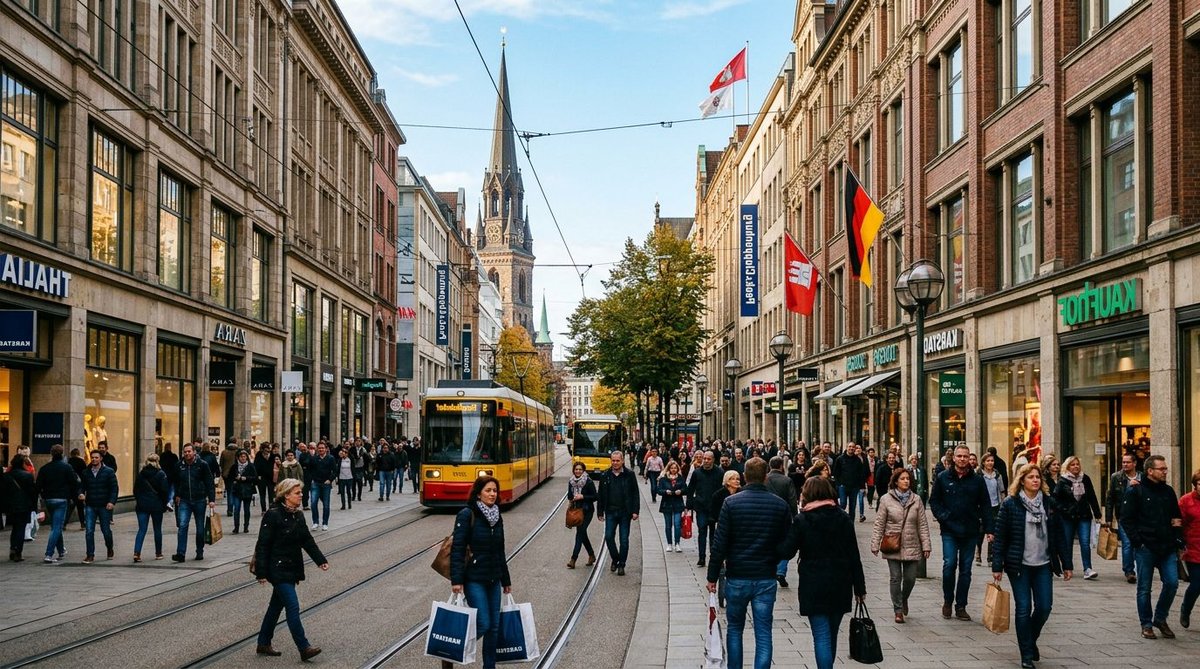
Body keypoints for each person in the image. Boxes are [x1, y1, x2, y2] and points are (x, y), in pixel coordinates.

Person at [706, 457, 792, 669]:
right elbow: (788, 544)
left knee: (734, 628)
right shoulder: (779, 505)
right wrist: (774, 555)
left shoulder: (731, 503)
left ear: (744, 476)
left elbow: (720, 543)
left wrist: (712, 576)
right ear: (765, 477)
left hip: (737, 575)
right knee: (763, 631)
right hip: (765, 576)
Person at [991, 463, 1072, 669]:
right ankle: (1026, 654)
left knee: (1044, 607)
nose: (1035, 480)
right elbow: (1000, 537)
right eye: (1031, 477)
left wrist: (1067, 563)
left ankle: (1030, 639)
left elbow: (1059, 536)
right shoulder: (1011, 504)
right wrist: (997, 566)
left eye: (1038, 477)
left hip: (1043, 563)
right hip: (1019, 565)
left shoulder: (1048, 503)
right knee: (1023, 608)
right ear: (1022, 481)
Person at [780, 477, 866, 669]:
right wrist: (859, 588)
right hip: (840, 581)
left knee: (821, 636)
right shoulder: (842, 517)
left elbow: (787, 551)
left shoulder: (802, 519)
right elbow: (854, 555)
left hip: (814, 582)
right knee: (832, 634)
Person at [254, 478, 327, 661]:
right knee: (292, 606)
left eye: (301, 492)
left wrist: (320, 560)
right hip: (276, 568)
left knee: (275, 607)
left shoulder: (298, 515)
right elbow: (263, 544)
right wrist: (261, 572)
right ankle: (304, 647)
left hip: (291, 567)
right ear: (286, 495)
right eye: (297, 493)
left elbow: (307, 540)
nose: (301, 495)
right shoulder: (273, 515)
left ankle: (263, 643)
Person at [450, 476, 512, 669]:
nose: (492, 494)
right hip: (474, 578)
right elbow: (458, 548)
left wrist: (506, 579)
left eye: (495, 490)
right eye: (488, 490)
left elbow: (500, 549)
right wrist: (457, 579)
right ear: (478, 493)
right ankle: (453, 649)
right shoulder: (467, 514)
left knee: (494, 627)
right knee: (484, 623)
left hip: (493, 578)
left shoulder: (497, 515)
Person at [1121, 454, 1183, 639]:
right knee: (1144, 588)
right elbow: (1126, 519)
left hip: (1167, 547)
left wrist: (1178, 539)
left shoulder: (1168, 491)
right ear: (1150, 471)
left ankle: (1160, 618)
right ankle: (1146, 623)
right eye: (1161, 469)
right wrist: (1137, 541)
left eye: (1165, 468)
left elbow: (1176, 517)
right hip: (1146, 547)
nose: (1165, 471)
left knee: (1172, 583)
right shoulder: (1136, 491)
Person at [929, 445, 992, 621]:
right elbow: (934, 502)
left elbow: (985, 505)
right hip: (949, 529)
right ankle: (948, 601)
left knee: (966, 570)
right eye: (959, 456)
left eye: (966, 456)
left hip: (970, 530)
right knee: (949, 565)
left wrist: (989, 529)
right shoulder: (943, 478)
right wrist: (944, 517)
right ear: (953, 458)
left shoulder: (977, 480)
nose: (963, 459)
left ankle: (961, 605)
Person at [870, 468, 931, 623]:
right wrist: (875, 543)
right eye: (903, 479)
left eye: (908, 479)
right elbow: (879, 523)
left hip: (912, 543)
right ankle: (898, 610)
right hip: (893, 544)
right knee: (896, 578)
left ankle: (903, 598)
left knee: (910, 578)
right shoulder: (886, 499)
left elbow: (922, 524)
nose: (906, 481)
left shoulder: (916, 499)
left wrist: (926, 545)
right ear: (896, 481)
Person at [1052, 455, 1101, 580]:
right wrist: (1064, 509)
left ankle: (1087, 568)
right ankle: (1068, 567)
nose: (1075, 467)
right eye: (1072, 465)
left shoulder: (1085, 479)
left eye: (1077, 464)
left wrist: (1097, 514)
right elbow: (1055, 499)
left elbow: (1092, 497)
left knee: (1085, 542)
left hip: (1084, 515)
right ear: (1067, 467)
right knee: (1067, 543)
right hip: (1068, 517)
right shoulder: (1063, 481)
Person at [172, 443, 216, 562]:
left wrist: (212, 499)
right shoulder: (179, 465)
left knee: (200, 528)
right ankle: (180, 553)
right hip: (184, 500)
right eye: (185, 452)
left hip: (200, 500)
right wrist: (176, 495)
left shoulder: (202, 465)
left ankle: (199, 551)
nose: (187, 454)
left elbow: (209, 483)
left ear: (194, 452)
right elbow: (175, 481)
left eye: (189, 451)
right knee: (182, 525)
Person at [597, 450, 639, 576]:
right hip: (610, 511)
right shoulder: (605, 475)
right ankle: (615, 558)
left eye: (617, 460)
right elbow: (601, 495)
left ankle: (622, 564)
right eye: (613, 460)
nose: (615, 463)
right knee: (609, 537)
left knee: (624, 540)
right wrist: (600, 511)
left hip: (625, 512)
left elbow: (635, 493)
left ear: (622, 461)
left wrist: (635, 511)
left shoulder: (629, 474)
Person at [36, 444, 77, 563]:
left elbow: (38, 485)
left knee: (56, 525)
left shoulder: (45, 468)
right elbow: (74, 483)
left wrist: (42, 496)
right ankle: (49, 554)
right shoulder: (67, 467)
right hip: (61, 499)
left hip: (49, 499)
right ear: (62, 453)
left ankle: (61, 550)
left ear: (51, 454)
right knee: (56, 527)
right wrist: (73, 496)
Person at [1105, 454, 1142, 583]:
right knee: (1127, 543)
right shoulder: (1116, 477)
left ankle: (1140, 569)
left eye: (1128, 462)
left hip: (1141, 516)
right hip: (1124, 516)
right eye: (1123, 462)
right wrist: (1108, 519)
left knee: (1139, 543)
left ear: (1134, 463)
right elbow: (1110, 499)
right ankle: (1129, 571)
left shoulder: (1142, 477)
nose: (1125, 464)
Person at [79, 450, 118, 563]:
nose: (94, 459)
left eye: (96, 457)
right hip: (90, 505)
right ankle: (90, 555)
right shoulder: (86, 472)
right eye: (92, 457)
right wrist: (81, 493)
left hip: (104, 505)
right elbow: (81, 486)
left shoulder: (109, 472)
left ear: (101, 458)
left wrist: (111, 502)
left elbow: (114, 488)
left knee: (105, 530)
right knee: (89, 531)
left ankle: (110, 548)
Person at [687, 450, 724, 568]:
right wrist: (689, 505)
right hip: (701, 506)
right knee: (702, 531)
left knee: (713, 533)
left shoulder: (719, 472)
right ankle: (701, 557)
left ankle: (713, 556)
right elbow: (691, 489)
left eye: (709, 459)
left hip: (714, 507)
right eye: (705, 459)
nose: (706, 461)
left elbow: (722, 490)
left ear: (713, 460)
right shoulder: (697, 473)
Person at [765, 456, 797, 587]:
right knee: (785, 544)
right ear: (781, 466)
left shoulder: (764, 479)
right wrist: (795, 517)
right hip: (783, 517)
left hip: (766, 516)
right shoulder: (787, 480)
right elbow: (792, 500)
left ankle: (769, 568)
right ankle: (781, 571)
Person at [132, 453, 169, 562]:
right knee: (157, 529)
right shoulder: (161, 474)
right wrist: (164, 504)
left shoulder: (141, 474)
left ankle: (137, 553)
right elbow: (164, 491)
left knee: (142, 529)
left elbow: (135, 490)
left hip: (142, 506)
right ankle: (158, 553)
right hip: (156, 506)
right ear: (157, 462)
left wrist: (140, 500)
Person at [4, 455, 37, 562]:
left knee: (14, 528)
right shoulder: (27, 476)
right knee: (20, 528)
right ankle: (18, 552)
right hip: (24, 505)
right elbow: (32, 492)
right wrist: (34, 506)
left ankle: (13, 549)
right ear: (23, 463)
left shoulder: (7, 475)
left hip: (11, 506)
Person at [977, 452, 1008, 565]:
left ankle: (990, 556)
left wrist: (1003, 504)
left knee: (993, 532)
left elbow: (1002, 490)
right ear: (983, 462)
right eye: (988, 461)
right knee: (981, 531)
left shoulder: (997, 475)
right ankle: (978, 552)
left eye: (992, 461)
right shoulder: (979, 474)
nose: (990, 463)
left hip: (995, 505)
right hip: (982, 506)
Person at [1179, 469, 1200, 629]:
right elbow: (1180, 523)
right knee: (1197, 584)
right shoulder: (1186, 501)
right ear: (1195, 485)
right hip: (1193, 548)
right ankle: (1186, 609)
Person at [566, 462, 597, 568]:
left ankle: (573, 559)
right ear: (573, 470)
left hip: (587, 511)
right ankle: (591, 554)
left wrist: (582, 496)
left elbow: (595, 496)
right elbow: (569, 496)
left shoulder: (588, 481)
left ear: (583, 470)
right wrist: (573, 496)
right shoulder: (571, 481)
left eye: (580, 469)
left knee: (580, 532)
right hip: (577, 511)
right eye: (576, 469)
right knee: (582, 534)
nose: (578, 471)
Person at [658, 460, 686, 553]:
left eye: (675, 468)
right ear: (669, 469)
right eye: (672, 468)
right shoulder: (663, 479)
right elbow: (659, 490)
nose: (673, 470)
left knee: (677, 524)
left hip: (678, 504)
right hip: (667, 504)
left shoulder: (681, 478)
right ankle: (669, 543)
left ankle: (677, 543)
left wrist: (681, 491)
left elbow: (685, 489)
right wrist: (665, 491)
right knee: (668, 525)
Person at [228, 450, 260, 534]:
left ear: (247, 457)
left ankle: (246, 526)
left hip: (247, 490)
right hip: (237, 491)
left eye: (244, 457)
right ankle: (236, 527)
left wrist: (245, 478)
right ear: (238, 458)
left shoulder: (250, 466)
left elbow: (255, 478)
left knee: (246, 510)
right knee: (236, 509)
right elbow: (229, 477)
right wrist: (235, 479)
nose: (243, 458)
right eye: (241, 457)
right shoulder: (234, 466)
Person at [308, 443, 336, 530]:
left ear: (326, 449)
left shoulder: (330, 458)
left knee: (326, 505)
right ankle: (315, 522)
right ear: (317, 449)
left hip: (326, 484)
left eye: (322, 448)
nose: (321, 450)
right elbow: (310, 470)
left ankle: (325, 523)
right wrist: (312, 479)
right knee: (313, 503)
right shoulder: (314, 459)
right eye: (319, 448)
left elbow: (335, 471)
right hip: (315, 483)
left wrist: (330, 480)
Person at [67, 447, 88, 529]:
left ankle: (64, 523)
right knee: (80, 507)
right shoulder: (82, 462)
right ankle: (82, 523)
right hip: (79, 487)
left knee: (70, 507)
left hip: (71, 487)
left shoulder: (69, 462)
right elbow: (85, 473)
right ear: (78, 454)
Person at [254, 445, 275, 513]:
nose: (267, 452)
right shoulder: (258, 455)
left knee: (271, 494)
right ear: (262, 450)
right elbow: (255, 466)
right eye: (266, 450)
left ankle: (271, 509)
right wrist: (257, 476)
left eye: (268, 450)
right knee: (262, 495)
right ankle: (263, 509)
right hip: (261, 477)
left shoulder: (272, 455)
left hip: (270, 478)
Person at [221, 441, 239, 517]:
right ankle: (235, 508)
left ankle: (230, 509)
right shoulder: (237, 452)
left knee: (229, 492)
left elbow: (221, 463)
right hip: (236, 474)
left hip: (227, 475)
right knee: (236, 492)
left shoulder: (224, 452)